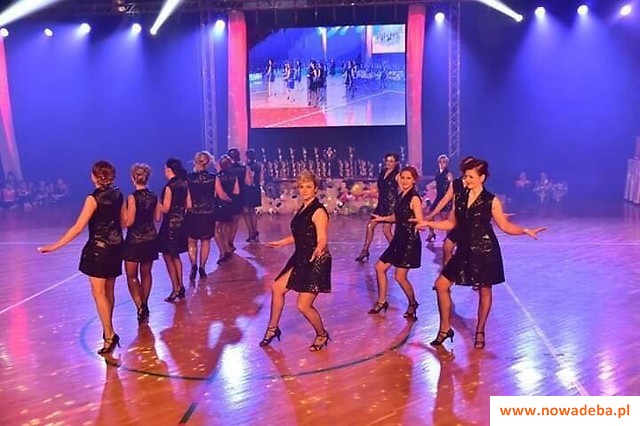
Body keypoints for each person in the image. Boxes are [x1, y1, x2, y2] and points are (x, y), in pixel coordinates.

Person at [415, 159, 545, 348]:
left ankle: (480, 330)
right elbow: (451, 223)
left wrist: (525, 230)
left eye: (470, 177)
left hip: (485, 249)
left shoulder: (491, 200)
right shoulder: (460, 197)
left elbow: (505, 226)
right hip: (464, 248)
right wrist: (428, 223)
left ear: (482, 178)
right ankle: (445, 328)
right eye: (465, 176)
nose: (466, 180)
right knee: (441, 285)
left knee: (485, 290)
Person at [38, 161, 126, 355]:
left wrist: (55, 246)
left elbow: (78, 228)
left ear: (94, 176)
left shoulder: (92, 199)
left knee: (99, 293)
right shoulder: (119, 194)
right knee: (109, 291)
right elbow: (125, 221)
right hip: (116, 246)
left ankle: (109, 334)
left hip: (99, 249)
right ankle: (108, 330)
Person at [260, 170, 332, 351]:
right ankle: (272, 329)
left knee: (303, 305)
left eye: (308, 187)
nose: (304, 190)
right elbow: (301, 235)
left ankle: (322, 335)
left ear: (315, 189)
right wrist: (281, 242)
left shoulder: (318, 211)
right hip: (301, 257)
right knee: (277, 288)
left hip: (316, 260)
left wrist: (318, 249)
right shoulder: (303, 208)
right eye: (302, 187)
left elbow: (322, 238)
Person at [367, 166, 422, 320]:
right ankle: (382, 301)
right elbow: (397, 217)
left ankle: (412, 303)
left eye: (408, 178)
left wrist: (417, 224)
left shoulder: (414, 198)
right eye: (402, 177)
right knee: (379, 267)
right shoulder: (401, 195)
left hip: (409, 241)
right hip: (398, 239)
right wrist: (382, 219)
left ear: (414, 180)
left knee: (400, 277)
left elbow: (419, 219)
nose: (405, 181)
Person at [123, 163, 160, 322]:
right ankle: (145, 303)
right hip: (150, 238)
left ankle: (139, 306)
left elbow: (129, 221)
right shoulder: (154, 196)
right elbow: (157, 218)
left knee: (131, 276)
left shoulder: (132, 198)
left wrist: (121, 221)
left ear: (133, 178)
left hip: (134, 240)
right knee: (146, 274)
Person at [424, 156, 475, 266]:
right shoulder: (455, 182)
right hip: (444, 202)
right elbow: (446, 196)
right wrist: (429, 216)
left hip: (471, 221)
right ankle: (449, 270)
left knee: (466, 249)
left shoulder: (474, 182)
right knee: (447, 247)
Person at [355, 152, 400, 262]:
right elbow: (380, 188)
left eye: (391, 161)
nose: (388, 163)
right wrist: (368, 193)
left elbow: (402, 190)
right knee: (370, 225)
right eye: (387, 160)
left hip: (391, 204)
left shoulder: (398, 175)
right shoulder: (383, 172)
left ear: (396, 163)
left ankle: (397, 252)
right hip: (381, 204)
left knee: (386, 230)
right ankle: (365, 250)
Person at [158, 158, 191, 302]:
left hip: (170, 224)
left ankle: (175, 287)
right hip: (181, 223)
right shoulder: (184, 184)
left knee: (168, 256)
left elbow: (165, 208)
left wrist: (156, 204)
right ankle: (180, 285)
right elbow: (189, 205)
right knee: (176, 255)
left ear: (169, 169)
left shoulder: (169, 187)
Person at [185, 151, 217, 280]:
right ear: (208, 163)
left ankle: (193, 265)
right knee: (205, 240)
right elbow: (217, 194)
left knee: (192, 241)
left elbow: (187, 198)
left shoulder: (188, 178)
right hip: (208, 212)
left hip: (193, 212)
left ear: (195, 161)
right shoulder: (213, 178)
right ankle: (202, 267)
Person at [426, 155, 454, 243]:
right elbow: (438, 183)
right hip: (438, 197)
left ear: (447, 163)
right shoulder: (438, 173)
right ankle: (431, 233)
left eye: (444, 162)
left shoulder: (448, 174)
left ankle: (449, 236)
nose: (442, 164)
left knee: (444, 218)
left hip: (446, 198)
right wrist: (431, 185)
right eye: (440, 162)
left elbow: (451, 185)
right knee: (430, 213)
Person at [243, 149, 264, 243]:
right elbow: (261, 179)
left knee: (246, 212)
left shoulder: (246, 167)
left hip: (247, 190)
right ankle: (255, 231)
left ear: (247, 156)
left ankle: (251, 233)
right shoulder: (259, 165)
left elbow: (247, 181)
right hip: (256, 189)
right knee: (252, 211)